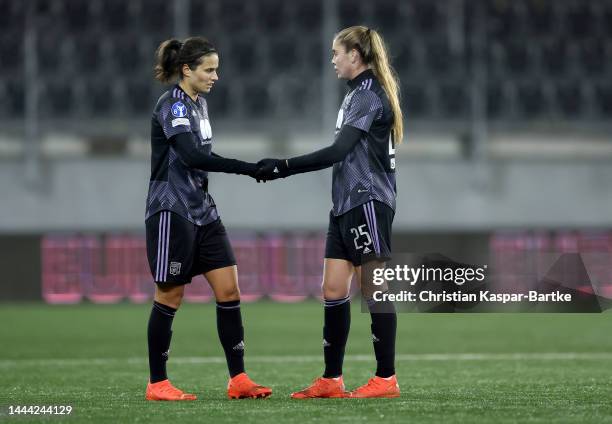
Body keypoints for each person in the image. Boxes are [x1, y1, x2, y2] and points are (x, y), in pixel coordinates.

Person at [256, 26, 403, 399]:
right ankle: (331, 379)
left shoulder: (368, 95)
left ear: (355, 54)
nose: (333, 59)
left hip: (367, 200)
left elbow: (338, 151)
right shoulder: (356, 95)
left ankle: (386, 379)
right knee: (334, 289)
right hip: (345, 205)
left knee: (374, 287)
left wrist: (284, 165)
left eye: (336, 52)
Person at [144, 36, 271, 401]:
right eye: (209, 69)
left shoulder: (200, 105)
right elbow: (194, 156)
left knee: (229, 288)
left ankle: (239, 379)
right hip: (172, 210)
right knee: (170, 294)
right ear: (187, 70)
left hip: (202, 210)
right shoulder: (173, 106)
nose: (216, 76)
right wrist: (249, 168)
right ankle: (158, 384)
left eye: (217, 69)